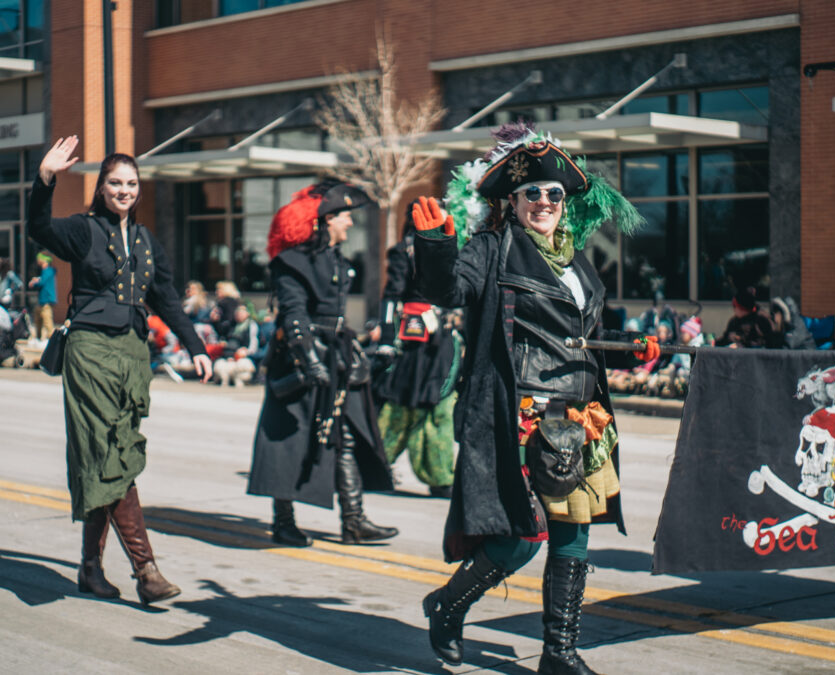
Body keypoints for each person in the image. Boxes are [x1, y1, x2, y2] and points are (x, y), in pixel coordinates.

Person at [412, 123, 650, 673]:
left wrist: (631, 350)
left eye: (554, 194)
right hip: (519, 416)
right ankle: (448, 607)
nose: (544, 201)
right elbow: (446, 291)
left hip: (581, 418)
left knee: (575, 533)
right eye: (532, 193)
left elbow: (581, 339)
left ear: (565, 204)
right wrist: (435, 247)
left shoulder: (578, 262)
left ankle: (559, 654)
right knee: (522, 539)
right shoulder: (491, 249)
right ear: (512, 202)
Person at [27, 135, 213, 605]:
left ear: (139, 190)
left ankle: (90, 568)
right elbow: (39, 228)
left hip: (132, 356)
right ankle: (146, 570)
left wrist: (196, 346)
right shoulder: (83, 230)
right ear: (102, 187)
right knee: (112, 456)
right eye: (115, 182)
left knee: (113, 457)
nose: (124, 190)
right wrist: (45, 178)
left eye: (131, 183)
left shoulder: (147, 241)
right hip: (89, 351)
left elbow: (166, 299)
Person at [248, 180, 397, 548]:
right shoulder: (291, 261)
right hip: (301, 361)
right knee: (290, 438)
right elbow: (293, 314)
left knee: (345, 437)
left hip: (338, 358)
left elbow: (332, 315)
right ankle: (283, 521)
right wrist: (308, 358)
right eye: (344, 216)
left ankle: (354, 521)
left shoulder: (338, 261)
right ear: (326, 219)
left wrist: (361, 340)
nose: (349, 223)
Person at [375, 206, 460, 498]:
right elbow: (390, 296)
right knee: (402, 405)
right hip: (414, 344)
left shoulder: (453, 246)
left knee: (439, 407)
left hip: (443, 343)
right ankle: (375, 465)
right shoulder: (404, 251)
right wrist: (386, 339)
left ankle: (440, 475)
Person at [29, 252, 57, 339]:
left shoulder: (48, 271)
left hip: (46, 300)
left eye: (39, 259)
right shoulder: (45, 272)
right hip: (42, 301)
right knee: (38, 320)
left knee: (47, 322)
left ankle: (52, 340)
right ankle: (38, 338)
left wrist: (34, 283)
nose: (37, 261)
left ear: (44, 260)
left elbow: (42, 282)